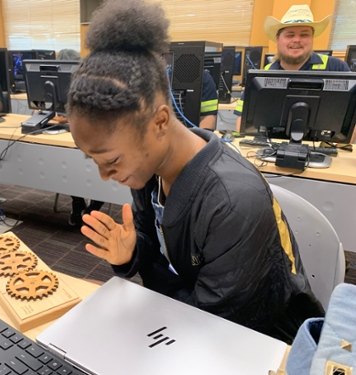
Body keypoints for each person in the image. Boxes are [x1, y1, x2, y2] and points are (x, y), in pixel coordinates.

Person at [66, 0, 324, 344]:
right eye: (93, 160)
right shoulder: (148, 169)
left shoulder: (232, 201)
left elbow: (211, 324)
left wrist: (147, 290)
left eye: (111, 161)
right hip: (186, 323)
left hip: (262, 346)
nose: (104, 175)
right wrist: (130, 254)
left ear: (159, 122)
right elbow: (153, 247)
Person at [234, 4, 350, 131]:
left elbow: (352, 119)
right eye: (290, 35)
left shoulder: (336, 68)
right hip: (271, 147)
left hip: (322, 147)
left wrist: (339, 147)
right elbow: (243, 120)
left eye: (304, 35)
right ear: (278, 39)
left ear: (312, 38)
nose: (297, 40)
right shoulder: (263, 74)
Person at [54, 48, 105, 226]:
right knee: (66, 161)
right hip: (69, 134)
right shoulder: (59, 82)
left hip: (94, 133)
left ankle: (95, 206)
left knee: (99, 165)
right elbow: (41, 108)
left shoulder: (94, 81)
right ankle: (77, 202)